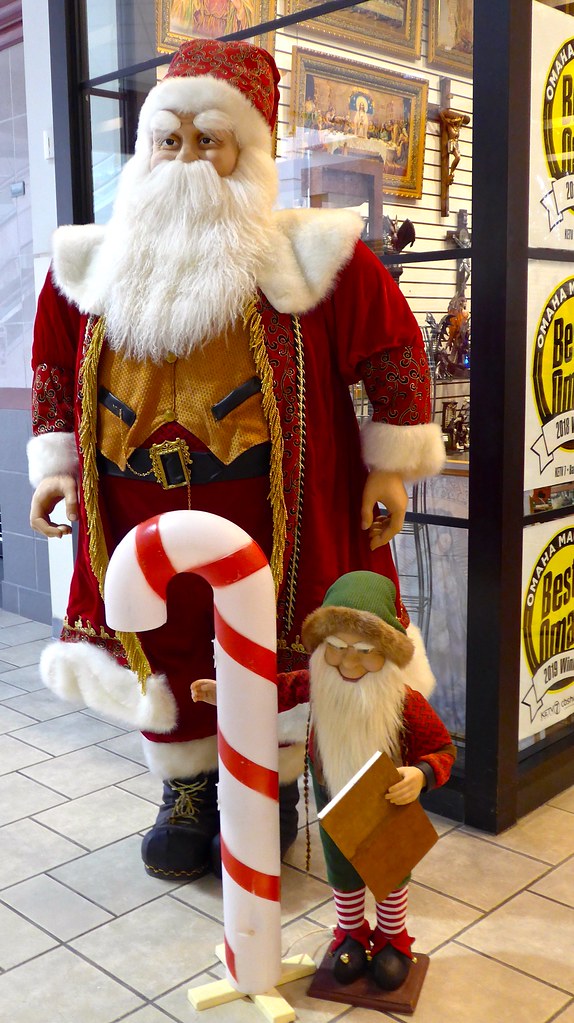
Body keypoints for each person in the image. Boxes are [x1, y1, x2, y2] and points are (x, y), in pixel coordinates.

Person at [27, 39, 445, 883]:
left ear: (248, 149)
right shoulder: (93, 263)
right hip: (136, 510)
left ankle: (270, 788)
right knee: (167, 643)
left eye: (208, 140)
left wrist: (389, 465)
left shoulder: (311, 255)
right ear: (145, 149)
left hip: (270, 510)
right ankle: (186, 790)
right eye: (169, 140)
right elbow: (56, 367)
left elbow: (394, 349)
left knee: (269, 644)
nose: (186, 159)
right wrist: (58, 466)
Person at [192, 570, 456, 991]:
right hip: (332, 794)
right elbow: (272, 691)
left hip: (388, 800)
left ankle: (392, 940)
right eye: (336, 648)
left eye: (365, 651)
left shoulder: (406, 703)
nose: (348, 663)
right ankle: (350, 935)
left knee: (390, 869)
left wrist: (420, 774)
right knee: (341, 868)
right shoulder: (315, 683)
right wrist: (228, 691)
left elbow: (442, 748)